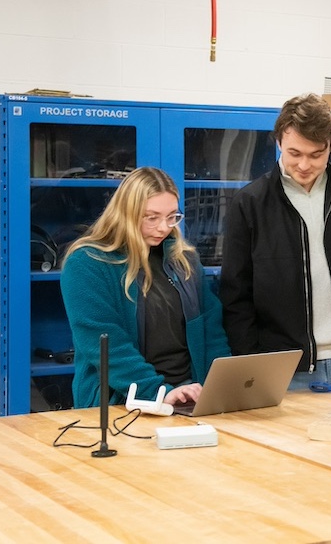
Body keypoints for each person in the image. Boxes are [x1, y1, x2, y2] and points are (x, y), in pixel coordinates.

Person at [60, 167, 232, 408]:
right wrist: (159, 393)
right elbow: (108, 346)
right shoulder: (88, 263)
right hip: (121, 403)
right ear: (126, 214)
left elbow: (211, 333)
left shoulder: (184, 260)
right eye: (152, 217)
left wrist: (221, 387)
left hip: (187, 396)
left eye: (172, 216)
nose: (164, 227)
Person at [220, 92, 331, 389]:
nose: (304, 165)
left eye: (316, 154)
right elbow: (235, 297)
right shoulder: (249, 204)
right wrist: (254, 367)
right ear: (278, 143)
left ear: (330, 146)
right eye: (294, 153)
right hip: (285, 372)